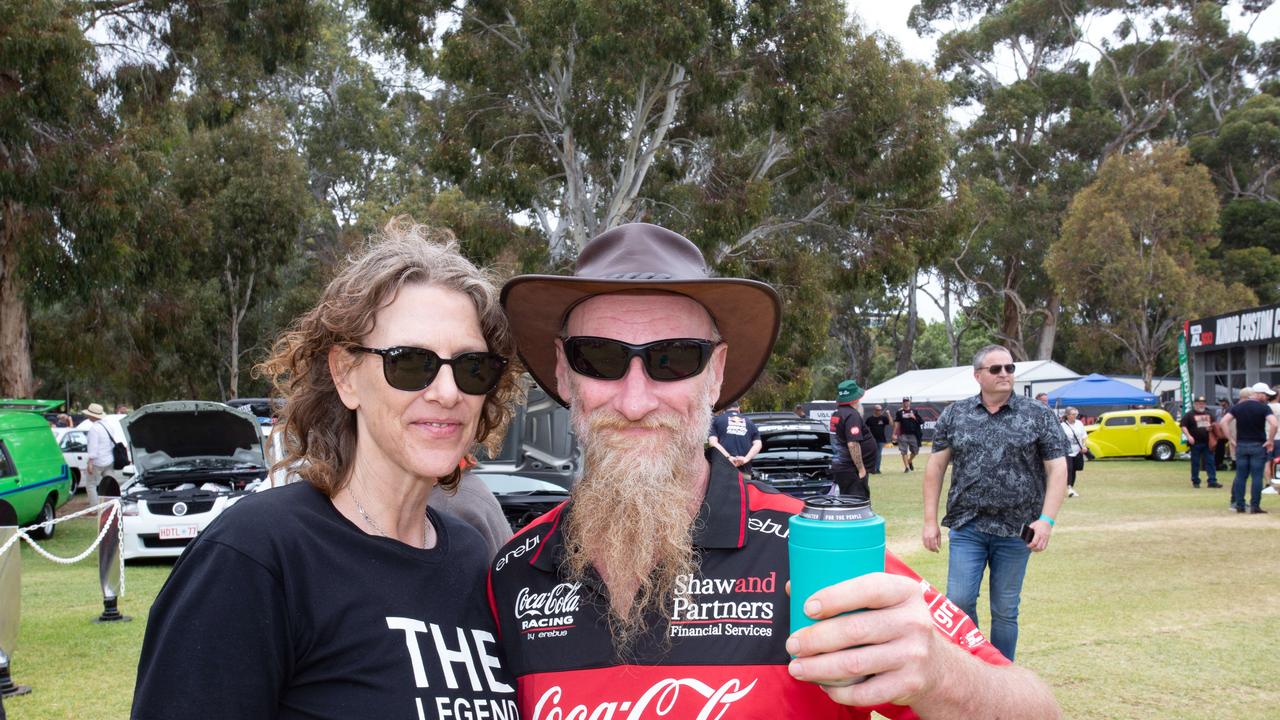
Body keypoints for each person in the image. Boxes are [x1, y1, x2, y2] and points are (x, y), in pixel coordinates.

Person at [490, 224, 1061, 718]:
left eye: (674, 359)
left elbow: (1035, 709)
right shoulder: (512, 572)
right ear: (565, 374)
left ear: (714, 374)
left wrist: (939, 673)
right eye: (601, 358)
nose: (636, 400)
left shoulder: (808, 546)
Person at [131, 220, 523, 719]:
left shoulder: (471, 558)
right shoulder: (256, 555)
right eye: (410, 363)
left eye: (471, 367)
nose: (447, 393)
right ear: (345, 376)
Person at [922, 344, 1068, 662]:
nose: (1005, 373)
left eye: (1009, 368)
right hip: (967, 525)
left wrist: (1047, 520)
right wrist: (929, 520)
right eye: (996, 369)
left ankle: (1002, 673)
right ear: (978, 376)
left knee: (1005, 609)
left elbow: (1058, 467)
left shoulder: (1037, 415)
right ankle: (973, 664)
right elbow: (935, 467)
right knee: (958, 602)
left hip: (1019, 529)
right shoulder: (955, 414)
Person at [1218, 382, 1278, 514]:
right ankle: (1255, 506)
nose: (1267, 397)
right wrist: (1270, 441)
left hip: (1241, 445)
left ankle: (1239, 504)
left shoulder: (1238, 407)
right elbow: (1274, 424)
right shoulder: (1264, 408)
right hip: (1258, 445)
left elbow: (1223, 422)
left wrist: (1231, 440)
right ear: (1259, 394)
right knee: (1257, 477)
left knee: (1241, 476)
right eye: (1266, 395)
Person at [828, 380, 877, 500]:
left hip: (843, 467)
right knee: (856, 504)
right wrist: (861, 469)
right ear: (855, 399)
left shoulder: (837, 413)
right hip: (851, 470)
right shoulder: (852, 415)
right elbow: (853, 444)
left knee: (847, 501)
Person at [709, 402, 762, 475]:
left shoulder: (716, 420)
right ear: (738, 409)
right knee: (744, 486)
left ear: (723, 410)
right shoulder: (750, 422)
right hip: (744, 473)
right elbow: (758, 444)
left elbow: (713, 442)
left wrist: (728, 458)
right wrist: (746, 459)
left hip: (723, 473)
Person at [1180, 396, 1221, 489]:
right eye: (1198, 403)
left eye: (1202, 403)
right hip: (1195, 443)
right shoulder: (1189, 415)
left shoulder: (1209, 414)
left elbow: (1215, 424)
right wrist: (1188, 436)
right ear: (1195, 404)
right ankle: (1195, 481)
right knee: (1195, 462)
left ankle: (1212, 481)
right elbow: (1183, 426)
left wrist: (1212, 428)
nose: (1201, 405)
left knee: (1210, 462)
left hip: (1207, 442)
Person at [83, 402, 116, 506]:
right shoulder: (108, 426)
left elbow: (93, 448)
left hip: (97, 462)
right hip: (109, 460)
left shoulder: (94, 429)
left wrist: (90, 463)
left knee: (91, 484)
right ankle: (112, 504)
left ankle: (95, 507)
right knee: (110, 483)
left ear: (92, 416)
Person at [1059, 407, 1087, 497]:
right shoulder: (1062, 426)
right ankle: (1069, 488)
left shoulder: (1079, 423)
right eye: (1073, 414)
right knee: (1069, 469)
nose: (1075, 416)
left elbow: (1084, 436)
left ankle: (1071, 487)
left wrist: (1084, 446)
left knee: (1074, 469)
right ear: (1067, 415)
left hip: (1077, 451)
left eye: (1076, 414)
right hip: (1067, 451)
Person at [893, 397, 924, 472]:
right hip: (902, 434)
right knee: (903, 451)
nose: (906, 403)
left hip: (913, 434)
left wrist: (914, 417)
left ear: (909, 402)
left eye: (907, 401)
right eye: (904, 402)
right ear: (902, 403)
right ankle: (907, 468)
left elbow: (921, 421)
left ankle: (909, 461)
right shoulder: (899, 412)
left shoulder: (914, 411)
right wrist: (894, 433)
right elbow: (897, 423)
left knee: (915, 451)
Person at [864, 403, 892, 474]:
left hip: (881, 439)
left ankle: (877, 469)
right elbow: (865, 428)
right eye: (878, 410)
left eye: (880, 410)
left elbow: (891, 423)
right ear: (875, 410)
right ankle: (872, 468)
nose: (879, 411)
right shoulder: (870, 419)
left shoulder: (883, 418)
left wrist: (888, 414)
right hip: (872, 439)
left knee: (878, 454)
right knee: (873, 454)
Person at [1214, 398, 1231, 471]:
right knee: (1220, 447)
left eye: (1222, 402)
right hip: (1220, 431)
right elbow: (1217, 419)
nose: (1221, 404)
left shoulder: (1230, 410)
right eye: (1220, 402)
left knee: (1222, 447)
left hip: (1227, 431)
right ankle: (1218, 462)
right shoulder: (1218, 411)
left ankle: (1220, 462)